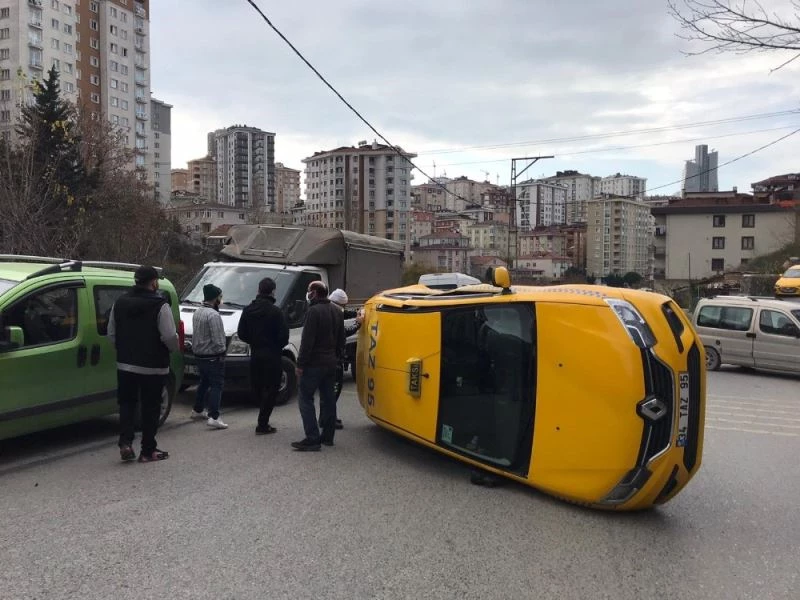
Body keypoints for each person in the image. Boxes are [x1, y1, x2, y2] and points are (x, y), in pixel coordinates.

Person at [108, 265, 179, 463]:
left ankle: (125, 443)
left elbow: (111, 333)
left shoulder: (119, 302)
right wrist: (172, 348)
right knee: (151, 407)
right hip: (154, 367)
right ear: (154, 282)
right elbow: (169, 336)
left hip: (125, 365)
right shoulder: (160, 305)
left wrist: (123, 351)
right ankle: (148, 450)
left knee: (127, 404)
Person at [291, 281, 345, 451]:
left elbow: (307, 341)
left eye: (309, 291)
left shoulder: (313, 312)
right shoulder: (337, 311)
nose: (308, 294)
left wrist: (300, 364)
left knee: (305, 398)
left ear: (314, 293)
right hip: (331, 363)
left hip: (314, 364)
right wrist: (336, 357)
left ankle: (312, 438)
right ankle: (328, 436)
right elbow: (341, 339)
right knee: (329, 399)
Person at [237, 277, 289, 436]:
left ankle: (261, 414)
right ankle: (263, 422)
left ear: (258, 290)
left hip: (255, 353)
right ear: (273, 292)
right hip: (272, 355)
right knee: (272, 388)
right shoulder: (276, 312)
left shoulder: (248, 310)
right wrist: (275, 345)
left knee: (258, 385)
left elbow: (241, 333)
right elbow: (284, 336)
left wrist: (254, 341)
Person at [190, 283, 228, 429]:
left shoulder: (198, 312)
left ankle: (198, 409)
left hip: (199, 355)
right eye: (220, 297)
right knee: (217, 385)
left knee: (204, 382)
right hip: (212, 356)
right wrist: (222, 351)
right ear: (215, 298)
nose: (221, 300)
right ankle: (214, 416)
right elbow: (218, 340)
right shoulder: (213, 315)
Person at [327, 288, 364, 430]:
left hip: (326, 358)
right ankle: (328, 419)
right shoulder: (333, 315)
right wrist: (358, 323)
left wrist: (356, 313)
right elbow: (343, 333)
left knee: (328, 391)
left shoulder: (326, 309)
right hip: (333, 359)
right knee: (334, 390)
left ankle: (327, 416)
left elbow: (344, 313)